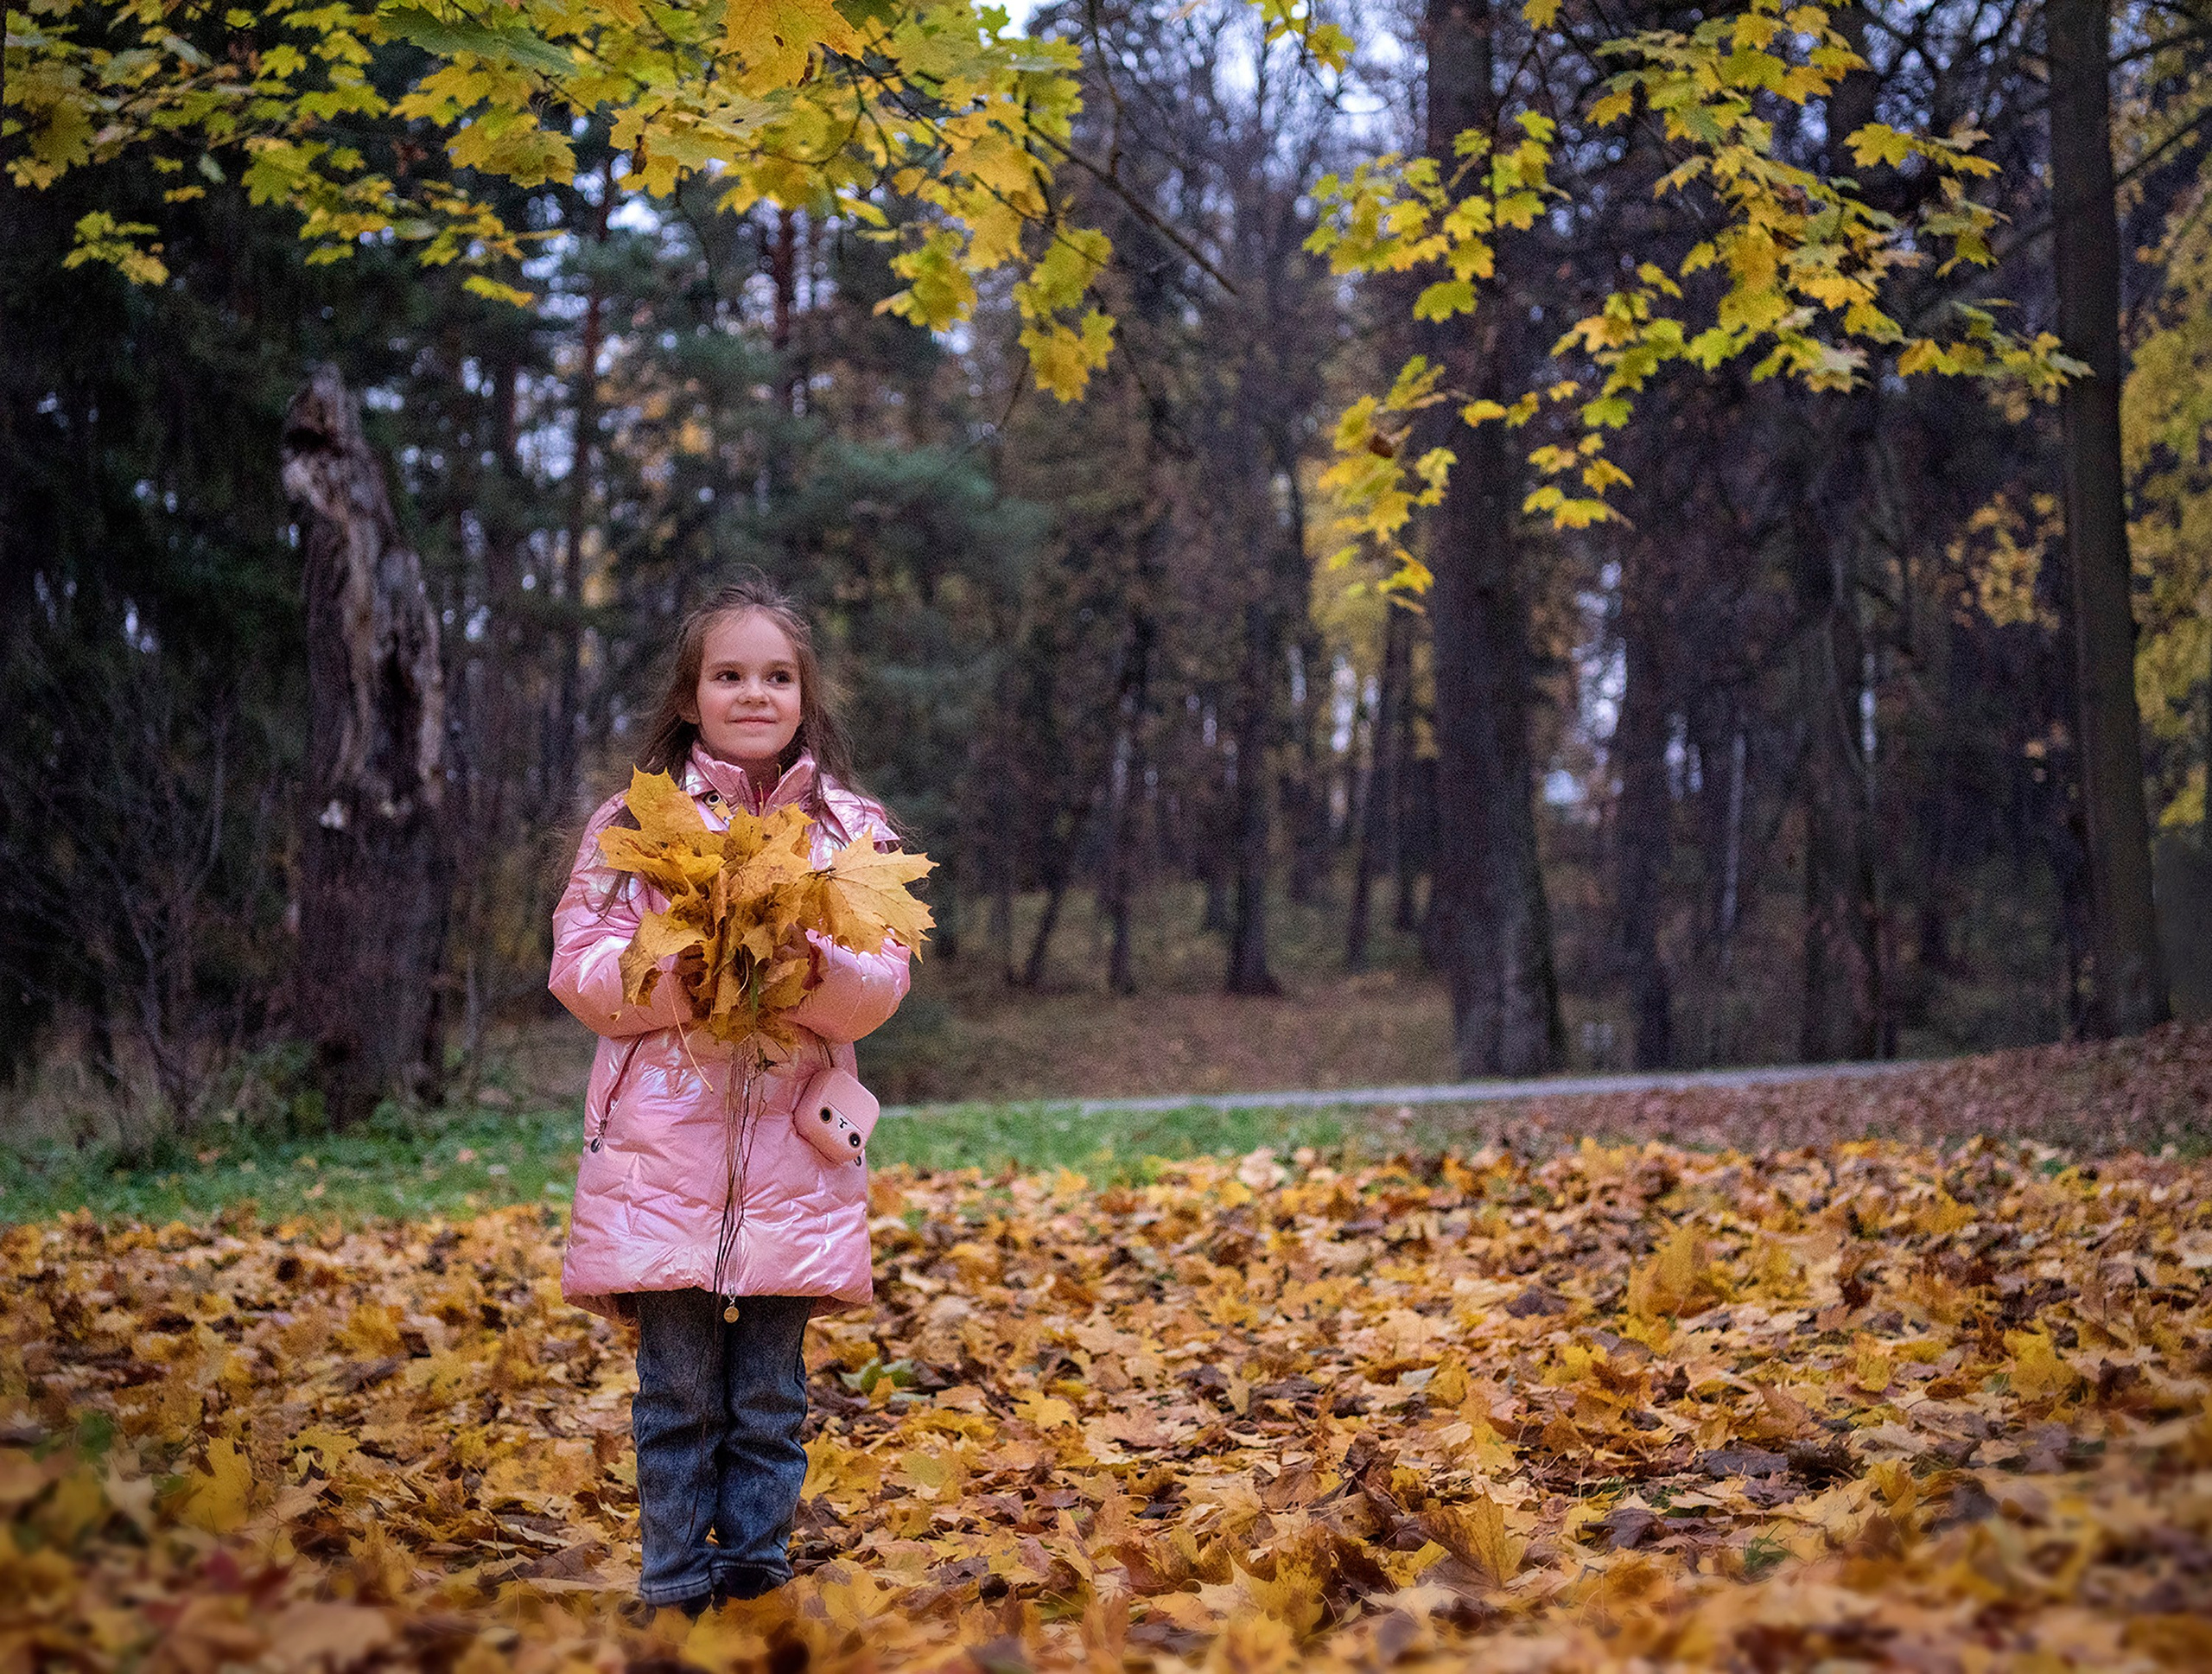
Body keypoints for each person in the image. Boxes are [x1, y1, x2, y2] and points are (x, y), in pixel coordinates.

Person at [548, 574, 910, 1617]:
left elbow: (879, 981)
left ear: (805, 693)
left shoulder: (849, 827)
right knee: (676, 1390)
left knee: (766, 1394)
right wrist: (687, 972)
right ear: (689, 695)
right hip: (661, 1152)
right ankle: (672, 1578)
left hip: (796, 1159)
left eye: (778, 674)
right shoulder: (634, 824)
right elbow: (584, 967)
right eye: (730, 673)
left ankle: (753, 1575)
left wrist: (806, 965)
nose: (755, 693)